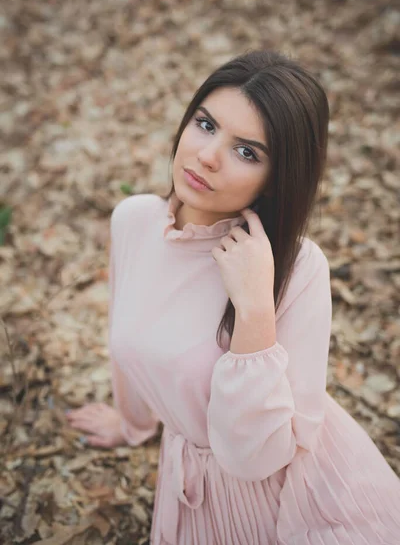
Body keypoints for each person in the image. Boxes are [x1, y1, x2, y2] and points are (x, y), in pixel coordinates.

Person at [65, 50, 400, 544]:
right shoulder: (134, 220)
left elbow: (255, 459)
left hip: (291, 495)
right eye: (205, 124)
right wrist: (134, 422)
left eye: (247, 152)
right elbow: (131, 336)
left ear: (276, 178)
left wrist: (254, 307)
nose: (207, 156)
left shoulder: (297, 267)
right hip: (188, 482)